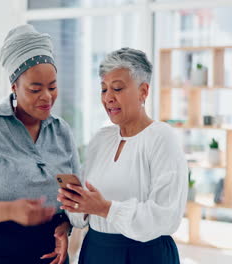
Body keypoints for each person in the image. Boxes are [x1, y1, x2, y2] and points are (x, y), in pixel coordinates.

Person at [0, 24, 79, 264]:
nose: (47, 97)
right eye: (35, 89)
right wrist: (10, 210)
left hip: (48, 251)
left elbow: (74, 197)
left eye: (52, 87)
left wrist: (65, 224)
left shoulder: (61, 132)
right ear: (14, 87)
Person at [58, 47, 188, 264]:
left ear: (143, 91)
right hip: (96, 251)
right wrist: (75, 205)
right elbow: (84, 213)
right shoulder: (101, 139)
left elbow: (167, 216)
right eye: (103, 89)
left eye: (117, 88)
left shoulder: (162, 138)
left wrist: (105, 209)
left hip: (145, 255)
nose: (108, 98)